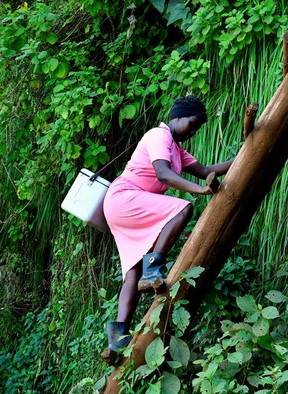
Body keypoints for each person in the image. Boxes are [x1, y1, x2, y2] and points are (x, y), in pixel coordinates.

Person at [100, 95, 234, 364]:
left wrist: (243, 156)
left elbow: (205, 169)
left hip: (122, 206)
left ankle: (116, 340)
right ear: (178, 117)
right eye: (192, 124)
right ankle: (153, 267)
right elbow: (162, 174)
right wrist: (199, 190)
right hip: (124, 197)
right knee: (183, 208)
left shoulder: (176, 148)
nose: (193, 131)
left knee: (131, 274)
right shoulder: (158, 136)